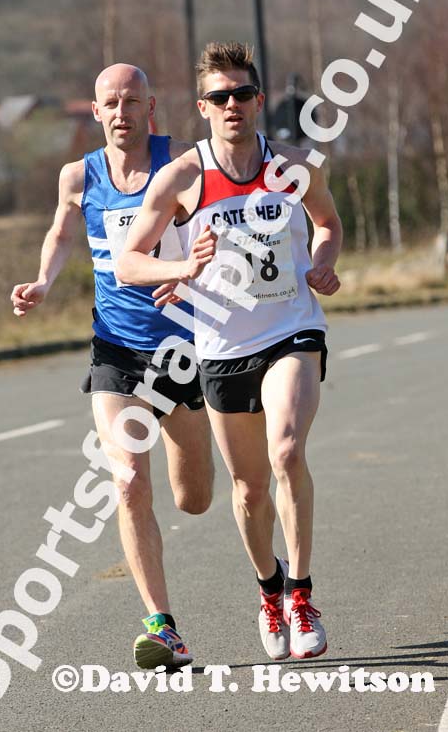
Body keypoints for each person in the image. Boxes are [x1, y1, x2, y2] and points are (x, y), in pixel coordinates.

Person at [118, 42, 342, 661]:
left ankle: (300, 594)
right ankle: (269, 591)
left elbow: (327, 222)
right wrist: (182, 263)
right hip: (220, 348)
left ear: (259, 99)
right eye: (219, 97)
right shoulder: (183, 177)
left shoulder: (293, 166)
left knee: (287, 448)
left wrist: (323, 261)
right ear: (202, 108)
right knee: (247, 491)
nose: (232, 105)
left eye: (242, 94)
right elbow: (127, 259)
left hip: (292, 330)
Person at [10, 63, 213, 670]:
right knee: (126, 482)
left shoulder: (180, 161)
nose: (121, 111)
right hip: (115, 349)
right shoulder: (79, 174)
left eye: (131, 101)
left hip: (183, 349)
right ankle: (162, 626)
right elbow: (61, 233)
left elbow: (219, 225)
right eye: (110, 102)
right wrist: (44, 282)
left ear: (150, 107)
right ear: (95, 111)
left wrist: (199, 269)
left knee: (194, 498)